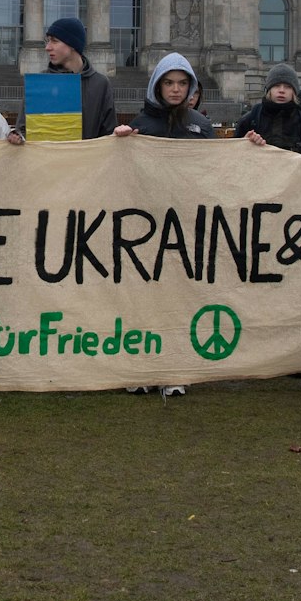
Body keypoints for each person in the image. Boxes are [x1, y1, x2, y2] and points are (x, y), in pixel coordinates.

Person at [112, 52, 211, 398]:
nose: (175, 89)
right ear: (157, 85)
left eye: (182, 83)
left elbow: (213, 172)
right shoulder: (141, 123)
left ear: (191, 87)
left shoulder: (201, 125)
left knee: (179, 297)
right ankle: (140, 366)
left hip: (185, 222)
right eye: (169, 83)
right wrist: (119, 144)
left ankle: (175, 369)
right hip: (146, 224)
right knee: (142, 296)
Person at [33, 17, 117, 139]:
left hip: (87, 156)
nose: (47, 47)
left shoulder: (101, 84)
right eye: (48, 41)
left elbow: (109, 134)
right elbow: (25, 129)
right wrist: (17, 136)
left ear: (72, 44)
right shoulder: (40, 82)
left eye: (54, 41)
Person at [236, 64, 301, 153]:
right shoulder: (251, 118)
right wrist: (245, 142)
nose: (281, 90)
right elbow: (233, 154)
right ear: (269, 89)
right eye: (277, 85)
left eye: (288, 86)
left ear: (294, 92)